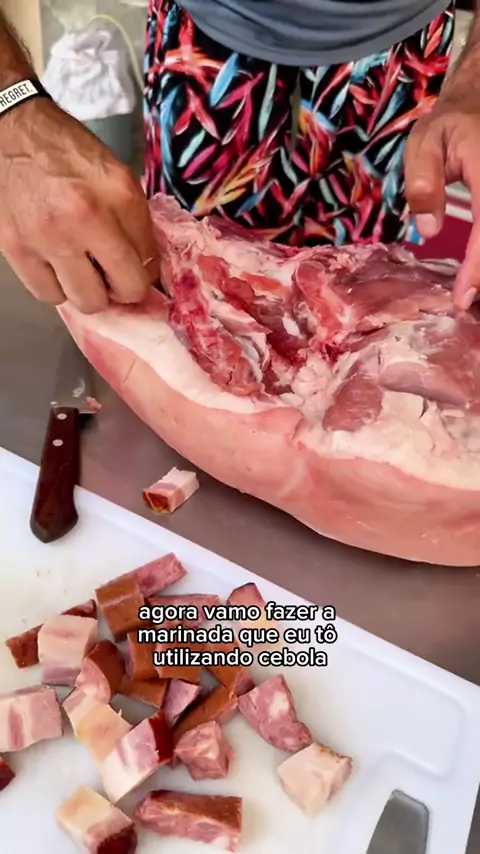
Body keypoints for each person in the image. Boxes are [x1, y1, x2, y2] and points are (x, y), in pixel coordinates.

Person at [0, 2, 479, 316]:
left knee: (358, 298)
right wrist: (12, 116)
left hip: (400, 64)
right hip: (207, 48)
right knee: (193, 295)